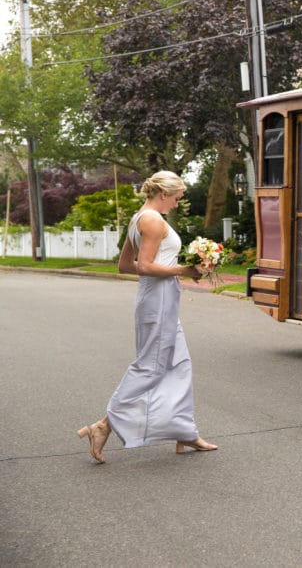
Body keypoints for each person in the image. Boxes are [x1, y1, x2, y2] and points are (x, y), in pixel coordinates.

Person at [77, 170, 218, 463]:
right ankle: (103, 426)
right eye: (177, 198)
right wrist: (183, 270)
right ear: (164, 194)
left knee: (179, 364)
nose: (177, 203)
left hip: (157, 299)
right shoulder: (152, 220)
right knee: (150, 367)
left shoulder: (138, 218)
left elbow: (125, 265)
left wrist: (175, 268)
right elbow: (143, 266)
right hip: (158, 300)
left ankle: (184, 431)